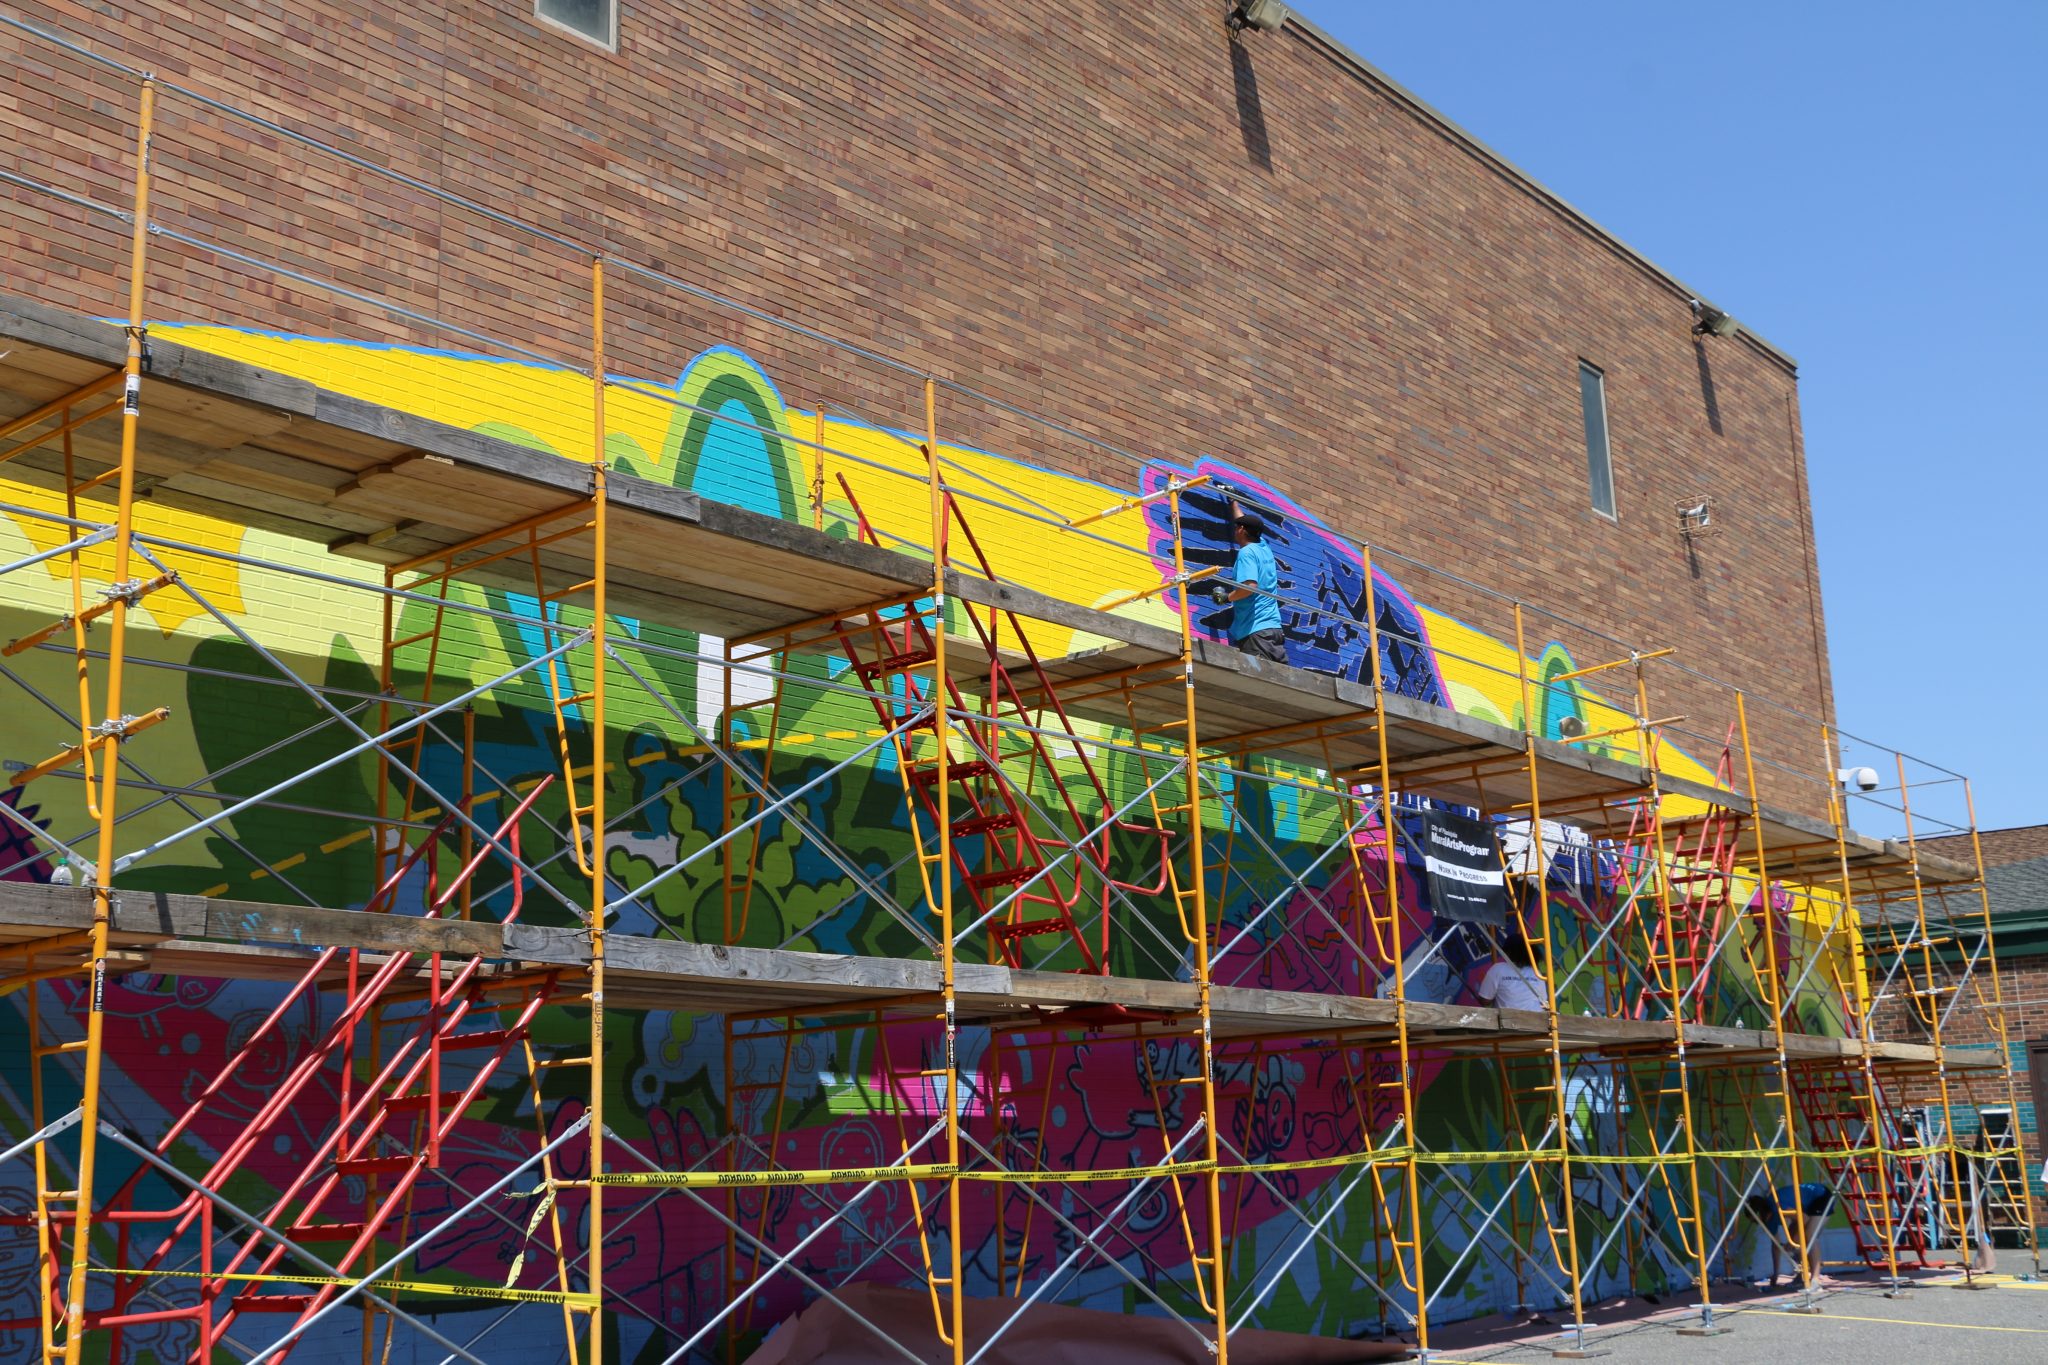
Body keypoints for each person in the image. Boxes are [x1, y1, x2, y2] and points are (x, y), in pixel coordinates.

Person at [1211, 511, 1286, 662]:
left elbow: (1250, 586)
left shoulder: (1247, 552)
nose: (1235, 530)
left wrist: (1226, 598)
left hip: (1255, 631)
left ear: (1242, 530)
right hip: (1273, 629)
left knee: (1258, 680)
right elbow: (1248, 522)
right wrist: (1233, 501)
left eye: (1237, 527)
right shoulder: (1263, 547)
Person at [1742, 1181, 1833, 1288]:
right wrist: (1776, 1274)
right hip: (1808, 1205)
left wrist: (1792, 1241)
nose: (1758, 1224)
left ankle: (1815, 1280)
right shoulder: (1768, 1220)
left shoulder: (1778, 1206)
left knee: (1809, 1235)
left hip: (1820, 1196)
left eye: (1756, 1220)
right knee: (1794, 1241)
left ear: (1762, 1212)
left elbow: (1804, 1219)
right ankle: (1802, 1274)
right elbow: (1776, 1246)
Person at [1474, 930, 1548, 1012]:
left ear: (1508, 952)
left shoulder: (1498, 969)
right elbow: (1543, 1002)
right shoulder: (1537, 973)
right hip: (1535, 1021)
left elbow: (1485, 1000)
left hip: (1508, 1022)